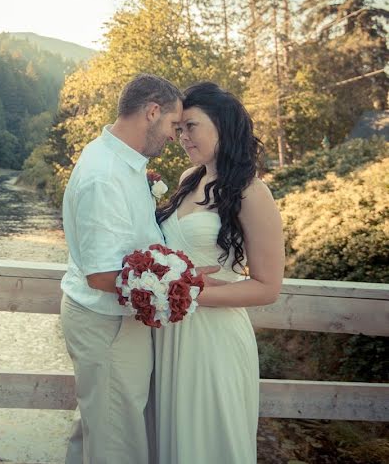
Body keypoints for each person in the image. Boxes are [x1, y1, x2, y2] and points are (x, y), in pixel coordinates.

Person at [60, 73, 195, 464]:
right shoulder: (104, 175)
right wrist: (181, 282)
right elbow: (102, 275)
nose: (175, 136)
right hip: (108, 326)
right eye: (173, 124)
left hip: (112, 324)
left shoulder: (120, 163)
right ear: (152, 111)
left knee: (99, 432)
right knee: (117, 441)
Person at [153, 81, 285, 463]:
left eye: (191, 126)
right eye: (178, 129)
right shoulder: (187, 180)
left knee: (208, 444)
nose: (181, 137)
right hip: (171, 336)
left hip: (214, 340)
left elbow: (268, 287)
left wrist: (192, 293)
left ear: (222, 124)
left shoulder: (251, 192)